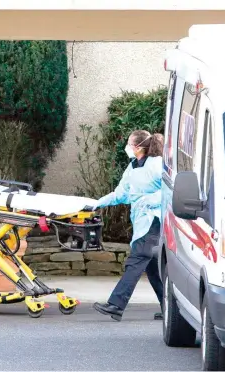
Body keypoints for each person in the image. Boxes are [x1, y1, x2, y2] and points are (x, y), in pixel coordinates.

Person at [93, 130, 165, 321]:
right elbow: (121, 194)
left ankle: (116, 305)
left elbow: (171, 190)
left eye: (129, 144)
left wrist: (149, 200)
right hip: (142, 220)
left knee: (137, 260)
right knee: (153, 268)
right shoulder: (132, 167)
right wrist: (96, 203)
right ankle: (170, 308)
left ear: (139, 147)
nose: (127, 147)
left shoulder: (157, 165)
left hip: (153, 220)